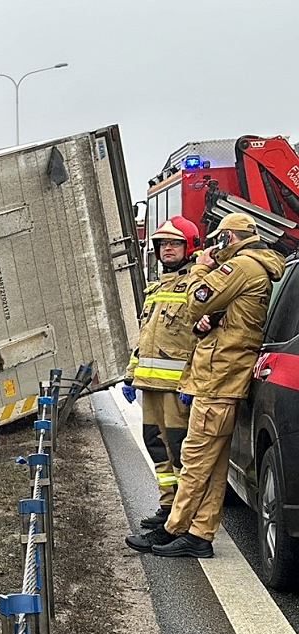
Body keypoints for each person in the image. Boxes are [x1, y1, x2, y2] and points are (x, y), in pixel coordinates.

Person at [152, 212, 285, 558]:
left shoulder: (240, 267)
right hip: (224, 376)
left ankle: (174, 528)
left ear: (229, 238)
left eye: (219, 241)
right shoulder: (254, 268)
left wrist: (201, 267)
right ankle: (200, 533)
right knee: (213, 462)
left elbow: (196, 299)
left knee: (195, 457)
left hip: (219, 377)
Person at [123, 217, 203, 552]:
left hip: (176, 390)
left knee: (179, 450)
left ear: (189, 247)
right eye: (162, 244)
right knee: (156, 447)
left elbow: (202, 341)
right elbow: (145, 337)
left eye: (174, 243)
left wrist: (192, 383)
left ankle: (182, 518)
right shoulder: (156, 288)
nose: (167, 249)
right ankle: (168, 505)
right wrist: (131, 374)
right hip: (150, 386)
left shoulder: (196, 286)